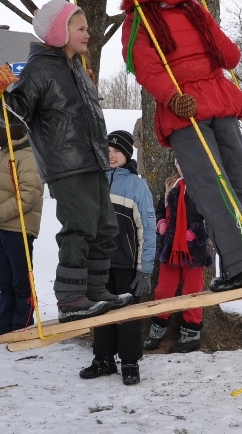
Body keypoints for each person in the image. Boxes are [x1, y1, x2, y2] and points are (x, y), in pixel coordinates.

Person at [119, 0, 242, 292]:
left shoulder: (140, 20)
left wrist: (172, 96)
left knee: (212, 186)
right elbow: (230, 56)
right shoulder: (192, 8)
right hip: (221, 102)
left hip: (187, 110)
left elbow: (145, 68)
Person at [0, 0, 129, 322]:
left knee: (105, 226)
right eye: (81, 28)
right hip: (66, 164)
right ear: (58, 32)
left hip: (92, 158)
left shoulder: (76, 68)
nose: (88, 34)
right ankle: (70, 298)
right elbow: (16, 115)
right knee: (78, 226)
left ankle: (95, 290)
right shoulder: (41, 69)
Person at [80, 130, 157, 386]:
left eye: (117, 151)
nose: (111, 155)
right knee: (101, 311)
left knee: (127, 314)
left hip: (126, 263)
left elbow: (146, 228)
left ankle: (130, 361)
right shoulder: (96, 180)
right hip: (99, 262)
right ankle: (103, 359)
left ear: (127, 154)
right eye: (108, 151)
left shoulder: (137, 185)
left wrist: (145, 270)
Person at [0, 117, 43, 342]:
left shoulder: (28, 156)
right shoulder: (0, 154)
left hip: (18, 228)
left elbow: (28, 195)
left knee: (21, 281)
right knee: (4, 281)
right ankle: (3, 325)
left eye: (0, 126)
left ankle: (21, 326)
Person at [142, 161, 213, 354]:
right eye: (179, 162)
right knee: (163, 290)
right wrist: (161, 222)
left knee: (192, 291)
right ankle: (157, 331)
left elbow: (212, 217)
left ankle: (191, 335)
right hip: (171, 248)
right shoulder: (171, 184)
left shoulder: (203, 187)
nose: (183, 166)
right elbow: (159, 210)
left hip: (193, 251)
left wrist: (196, 233)